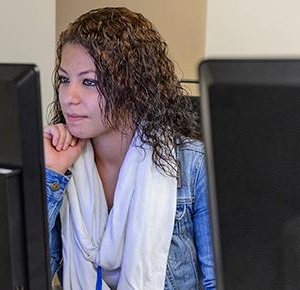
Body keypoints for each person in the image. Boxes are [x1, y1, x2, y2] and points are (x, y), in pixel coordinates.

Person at [43, 7, 216, 290]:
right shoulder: (61, 164)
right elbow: (25, 276)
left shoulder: (193, 164)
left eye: (89, 82)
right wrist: (51, 173)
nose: (69, 97)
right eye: (64, 79)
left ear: (134, 88)